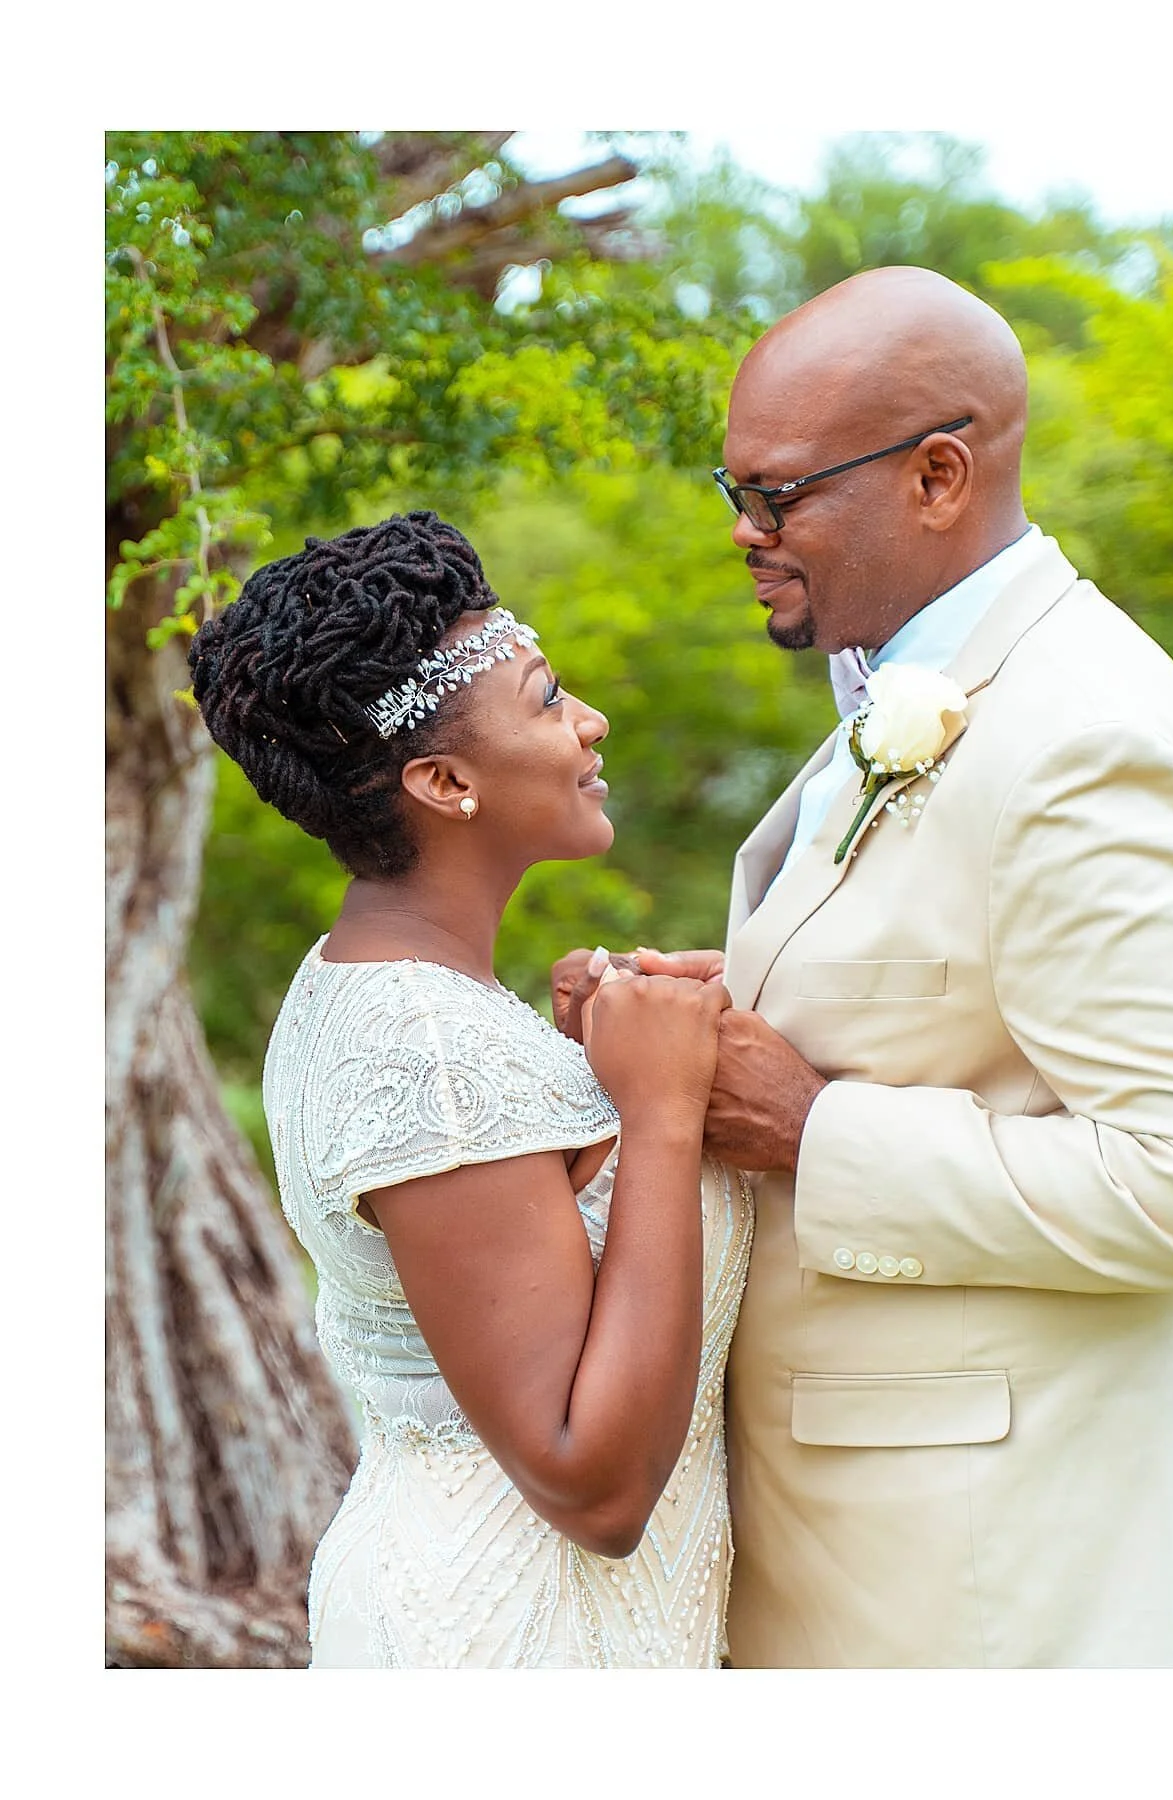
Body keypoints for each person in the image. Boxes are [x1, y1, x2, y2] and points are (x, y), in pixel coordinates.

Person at [557, 265, 1173, 1669]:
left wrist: (810, 1128)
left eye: (778, 493)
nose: (744, 529)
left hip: (998, 1592)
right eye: (730, 488)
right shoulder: (927, 688)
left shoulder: (1091, 741)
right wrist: (715, 1021)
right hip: (870, 1557)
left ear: (938, 475)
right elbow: (951, 1002)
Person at [188, 510, 751, 1668]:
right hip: (506, 1637)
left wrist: (587, 1080)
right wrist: (658, 1116)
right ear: (444, 781)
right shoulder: (424, 1049)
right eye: (548, 700)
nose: (591, 722)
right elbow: (593, 1487)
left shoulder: (400, 993)